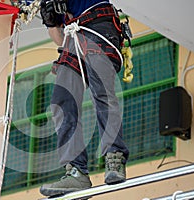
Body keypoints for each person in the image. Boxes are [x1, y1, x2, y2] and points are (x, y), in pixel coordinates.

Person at [39, 0, 130, 197]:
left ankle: (114, 156)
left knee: (102, 92)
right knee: (62, 101)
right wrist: (52, 23)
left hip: (98, 26)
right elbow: (59, 39)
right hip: (74, 37)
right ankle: (76, 171)